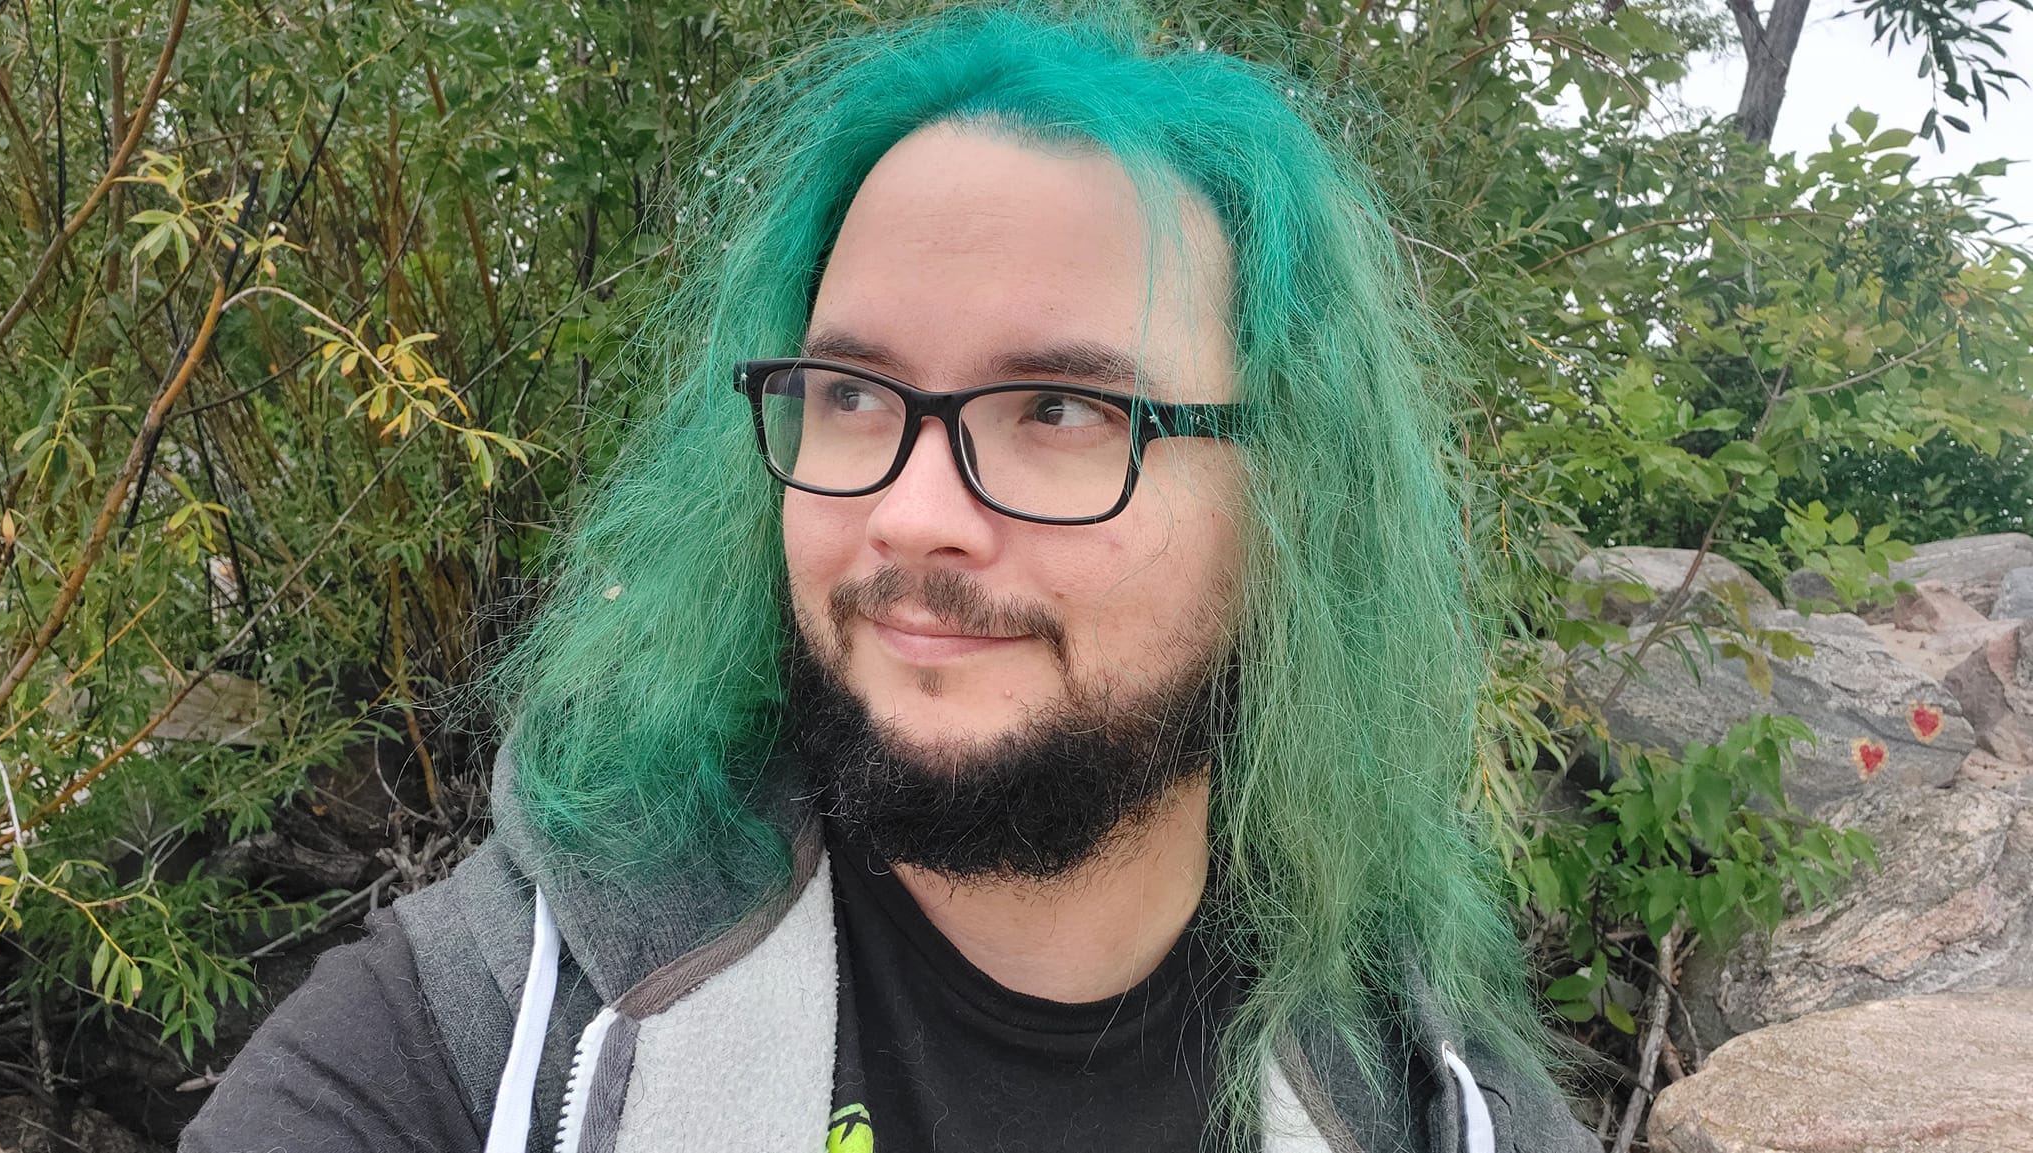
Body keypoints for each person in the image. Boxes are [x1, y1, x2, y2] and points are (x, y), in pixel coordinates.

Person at [183, 7, 1598, 1152]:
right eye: (851, 395)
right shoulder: (504, 1034)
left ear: (1291, 512)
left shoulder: (1432, 1098)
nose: (913, 518)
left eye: (1059, 410)